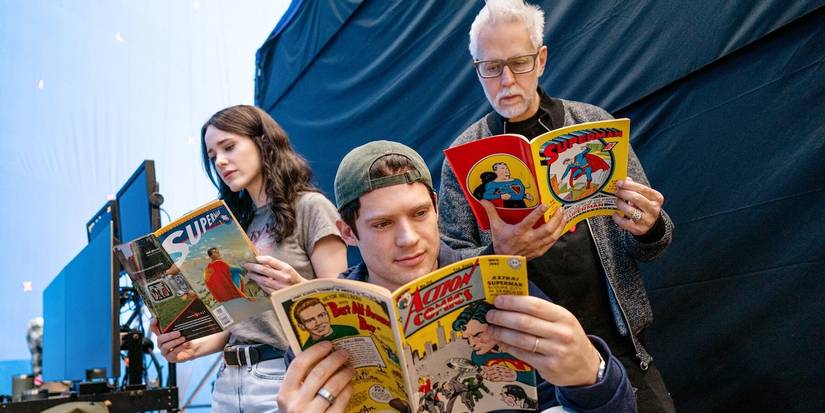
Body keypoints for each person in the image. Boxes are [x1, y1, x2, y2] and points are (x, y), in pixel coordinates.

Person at [437, 1, 675, 411]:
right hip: (522, 366)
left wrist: (648, 225)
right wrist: (500, 254)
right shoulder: (462, 156)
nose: (506, 80)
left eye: (519, 62)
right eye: (490, 67)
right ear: (476, 69)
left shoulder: (592, 123)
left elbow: (654, 244)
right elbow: (449, 269)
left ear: (541, 59)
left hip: (619, 344)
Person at [277, 140, 635, 412]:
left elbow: (604, 402)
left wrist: (595, 376)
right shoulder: (320, 320)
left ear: (436, 208)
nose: (408, 239)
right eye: (382, 224)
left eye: (419, 214)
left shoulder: (494, 280)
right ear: (348, 232)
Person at [152, 105, 348, 413]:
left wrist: (295, 287)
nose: (220, 161)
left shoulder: (311, 207)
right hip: (228, 382)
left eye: (229, 146)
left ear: (263, 142)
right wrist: (191, 346)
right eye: (212, 155)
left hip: (284, 377)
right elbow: (240, 319)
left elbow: (344, 310)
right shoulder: (233, 224)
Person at [292, 297, 359, 349]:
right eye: (310, 320)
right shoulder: (305, 350)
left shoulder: (350, 331)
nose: (319, 322)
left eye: (321, 315)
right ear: (302, 326)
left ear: (328, 315)